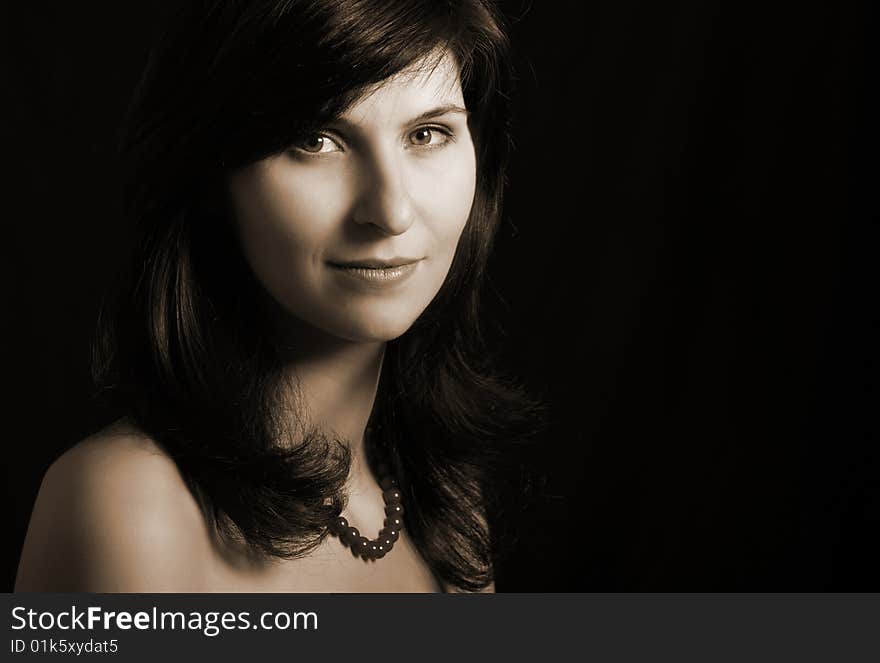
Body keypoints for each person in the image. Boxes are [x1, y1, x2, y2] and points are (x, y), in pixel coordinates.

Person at [15, 0, 540, 593]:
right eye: (316, 140)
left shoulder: (448, 505)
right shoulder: (129, 507)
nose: (391, 212)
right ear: (211, 175)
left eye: (428, 133)